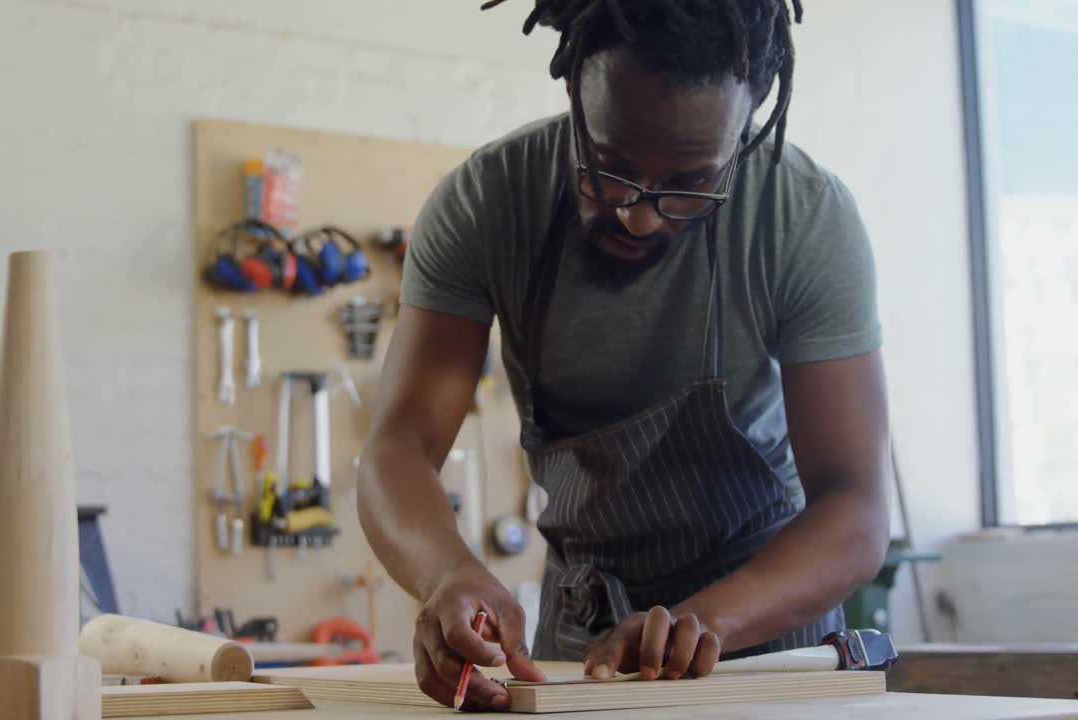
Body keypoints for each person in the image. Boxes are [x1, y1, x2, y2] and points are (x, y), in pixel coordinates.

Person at [357, 0, 891, 711]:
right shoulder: (487, 205)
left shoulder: (802, 218)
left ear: (747, 123)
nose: (638, 214)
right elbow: (399, 447)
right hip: (582, 635)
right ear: (574, 87)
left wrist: (712, 620)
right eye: (607, 168)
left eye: (691, 184)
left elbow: (854, 509)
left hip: (760, 639)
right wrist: (446, 574)